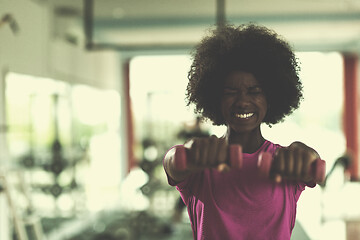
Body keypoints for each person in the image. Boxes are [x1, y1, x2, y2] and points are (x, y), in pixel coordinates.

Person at [163, 23, 323, 240]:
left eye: (254, 91)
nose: (242, 101)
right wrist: (188, 155)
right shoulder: (201, 162)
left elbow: (313, 168)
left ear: (271, 97)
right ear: (216, 98)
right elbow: (174, 162)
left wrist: (307, 156)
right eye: (231, 92)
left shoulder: (285, 161)